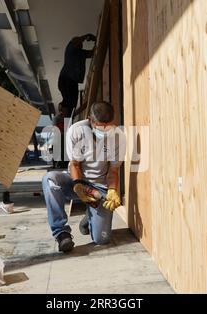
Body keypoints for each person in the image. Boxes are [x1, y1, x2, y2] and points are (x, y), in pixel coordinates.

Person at [42, 101, 125, 252]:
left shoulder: (118, 137)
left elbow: (113, 171)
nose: (104, 131)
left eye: (107, 127)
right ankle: (61, 233)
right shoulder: (76, 130)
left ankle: (90, 215)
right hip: (75, 181)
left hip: (99, 187)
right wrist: (79, 185)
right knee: (50, 179)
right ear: (90, 120)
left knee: (102, 239)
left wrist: (112, 190)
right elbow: (75, 164)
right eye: (100, 126)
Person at [58, 34, 96, 113]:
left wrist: (97, 43)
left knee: (71, 103)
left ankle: (67, 113)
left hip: (69, 80)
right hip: (67, 79)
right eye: (80, 43)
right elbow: (74, 40)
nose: (81, 45)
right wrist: (86, 36)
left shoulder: (81, 53)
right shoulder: (70, 49)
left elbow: (92, 53)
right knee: (71, 103)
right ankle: (67, 114)